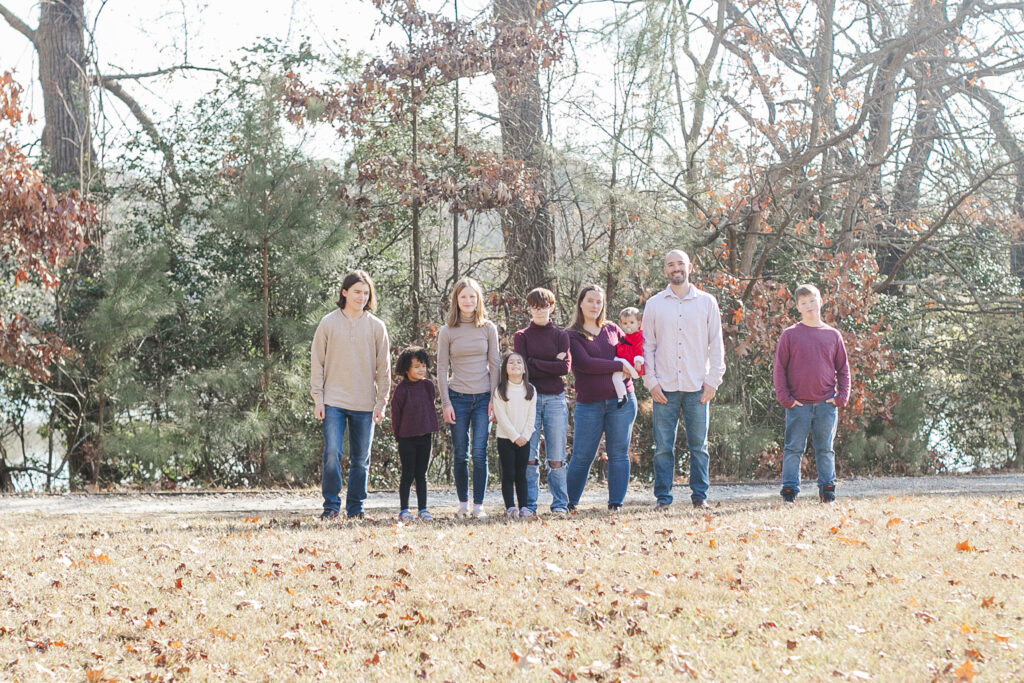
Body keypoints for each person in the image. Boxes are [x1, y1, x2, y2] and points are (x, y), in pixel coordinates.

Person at [642, 250, 726, 510]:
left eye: (680, 263)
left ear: (689, 266)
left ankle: (700, 497)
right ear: (665, 270)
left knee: (699, 446)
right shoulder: (654, 304)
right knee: (663, 447)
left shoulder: (707, 302)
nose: (676, 268)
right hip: (664, 388)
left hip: (697, 386)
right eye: (670, 265)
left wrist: (713, 380)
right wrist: (651, 382)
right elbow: (647, 346)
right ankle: (663, 499)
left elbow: (716, 344)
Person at [310, 270, 390, 520]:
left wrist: (381, 402)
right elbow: (317, 363)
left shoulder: (377, 327)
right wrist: (318, 398)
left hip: (365, 403)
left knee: (360, 459)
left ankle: (356, 509)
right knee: (332, 452)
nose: (362, 297)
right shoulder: (328, 323)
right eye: (357, 291)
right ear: (344, 292)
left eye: (366, 293)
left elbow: (384, 368)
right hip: (333, 400)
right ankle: (331, 507)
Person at [772, 284, 850, 503]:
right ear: (797, 307)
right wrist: (786, 399)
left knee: (825, 449)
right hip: (798, 405)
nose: (809, 306)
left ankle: (827, 490)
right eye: (803, 303)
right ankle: (789, 491)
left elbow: (843, 369)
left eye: (812, 300)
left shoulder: (832, 335)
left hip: (826, 403)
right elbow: (779, 369)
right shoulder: (790, 335)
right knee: (793, 448)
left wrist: (841, 397)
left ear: (821, 301)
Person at [565, 284, 638, 512]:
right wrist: (620, 365)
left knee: (618, 453)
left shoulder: (612, 329)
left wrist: (633, 361)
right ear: (580, 303)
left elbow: (630, 349)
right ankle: (568, 503)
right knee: (582, 456)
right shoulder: (571, 335)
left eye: (599, 301)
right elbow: (586, 365)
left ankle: (615, 504)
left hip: (622, 401)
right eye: (590, 301)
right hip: (589, 404)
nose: (595, 305)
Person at [437, 277, 500, 518]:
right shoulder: (447, 331)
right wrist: (446, 402)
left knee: (479, 452)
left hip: (484, 397)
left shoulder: (488, 328)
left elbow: (494, 365)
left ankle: (479, 506)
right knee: (461, 453)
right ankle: (463, 503)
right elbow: (442, 368)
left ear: (478, 300)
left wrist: (494, 398)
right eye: (463, 296)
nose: (468, 301)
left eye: (472, 296)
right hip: (458, 397)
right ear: (456, 299)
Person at [512, 287, 570, 516]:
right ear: (529, 309)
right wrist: (548, 364)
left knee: (556, 457)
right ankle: (529, 505)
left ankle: (559, 505)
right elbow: (523, 369)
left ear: (551, 307)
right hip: (530, 398)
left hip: (556, 398)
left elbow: (564, 368)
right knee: (529, 457)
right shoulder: (522, 336)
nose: (539, 311)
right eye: (534, 307)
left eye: (543, 306)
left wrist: (536, 362)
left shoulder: (560, 335)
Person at [390, 347, 440, 521]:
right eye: (417, 366)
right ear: (406, 369)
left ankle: (423, 509)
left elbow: (429, 406)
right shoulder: (401, 389)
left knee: (421, 474)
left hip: (425, 436)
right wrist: (398, 436)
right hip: (406, 438)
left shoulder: (428, 386)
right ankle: (404, 509)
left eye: (423, 365)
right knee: (408, 474)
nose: (421, 369)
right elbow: (395, 414)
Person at [492, 352, 537, 519]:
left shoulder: (531, 390)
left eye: (519, 362)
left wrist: (524, 436)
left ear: (524, 369)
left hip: (525, 439)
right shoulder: (500, 390)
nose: (515, 364)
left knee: (521, 474)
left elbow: (532, 416)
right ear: (505, 369)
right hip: (506, 438)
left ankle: (524, 507)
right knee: (508, 473)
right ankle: (510, 507)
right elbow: (501, 417)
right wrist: (514, 436)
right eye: (511, 362)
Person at [613, 307, 645, 407]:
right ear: (621, 325)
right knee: (616, 378)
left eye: (631, 322)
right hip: (624, 363)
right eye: (625, 323)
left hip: (632, 363)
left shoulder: (637, 336)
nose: (628, 326)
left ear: (639, 323)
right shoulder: (625, 336)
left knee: (616, 377)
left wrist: (638, 361)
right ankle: (622, 397)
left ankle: (622, 396)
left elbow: (638, 349)